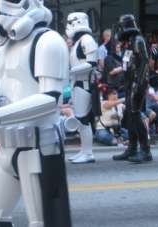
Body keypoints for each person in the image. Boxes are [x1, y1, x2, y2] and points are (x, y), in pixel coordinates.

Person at [0, 0, 72, 225]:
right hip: (6, 147)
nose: (1, 6)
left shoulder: (47, 41)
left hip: (38, 146)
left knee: (45, 222)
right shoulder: (3, 48)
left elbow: (50, 99)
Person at [112, 15, 153, 164]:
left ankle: (145, 150)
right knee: (130, 116)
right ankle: (132, 148)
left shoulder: (138, 40)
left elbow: (143, 64)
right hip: (130, 83)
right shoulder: (130, 42)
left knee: (135, 115)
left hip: (137, 83)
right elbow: (130, 64)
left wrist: (139, 84)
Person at [65, 12, 100, 164]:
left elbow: (92, 64)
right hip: (77, 84)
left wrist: (71, 72)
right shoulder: (78, 42)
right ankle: (84, 151)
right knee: (80, 120)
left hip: (84, 84)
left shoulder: (87, 40)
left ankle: (88, 153)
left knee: (83, 120)